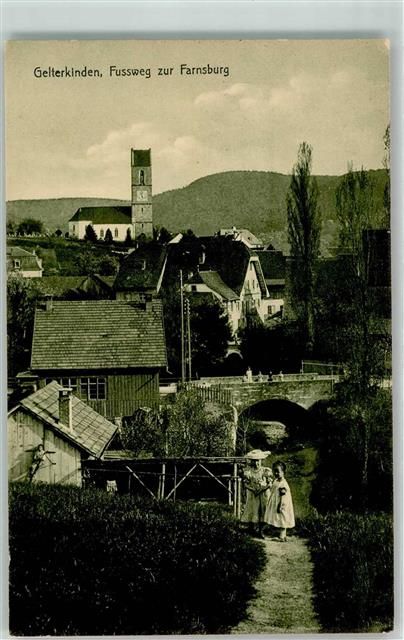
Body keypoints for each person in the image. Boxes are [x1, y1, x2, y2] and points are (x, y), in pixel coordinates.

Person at [241, 449, 273, 539]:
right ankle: (252, 529)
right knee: (253, 510)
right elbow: (245, 484)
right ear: (251, 462)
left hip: (263, 494)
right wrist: (253, 489)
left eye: (258, 461)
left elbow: (269, 484)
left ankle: (262, 530)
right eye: (254, 461)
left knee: (263, 510)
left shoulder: (265, 471)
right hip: (253, 494)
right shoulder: (249, 472)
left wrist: (262, 489)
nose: (256, 463)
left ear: (261, 461)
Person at [265, 461, 295, 541]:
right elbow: (274, 489)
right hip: (276, 501)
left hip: (282, 503)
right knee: (278, 518)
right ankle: (280, 534)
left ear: (283, 472)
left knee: (283, 518)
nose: (276, 473)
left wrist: (280, 505)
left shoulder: (283, 484)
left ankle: (282, 535)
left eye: (278, 471)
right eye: (274, 471)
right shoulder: (276, 480)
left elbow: (283, 496)